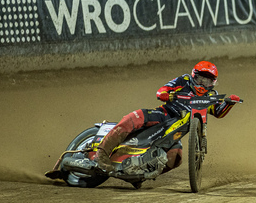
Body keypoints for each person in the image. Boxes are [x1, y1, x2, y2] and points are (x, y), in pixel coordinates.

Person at [95, 61, 241, 173]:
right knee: (135, 117)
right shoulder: (183, 80)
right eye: (201, 79)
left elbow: (218, 112)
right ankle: (101, 153)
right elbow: (161, 91)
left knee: (175, 157)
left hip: (177, 131)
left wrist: (230, 103)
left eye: (207, 81)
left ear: (213, 83)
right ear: (194, 76)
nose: (203, 83)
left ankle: (140, 173)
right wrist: (168, 94)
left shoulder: (211, 96)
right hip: (165, 115)